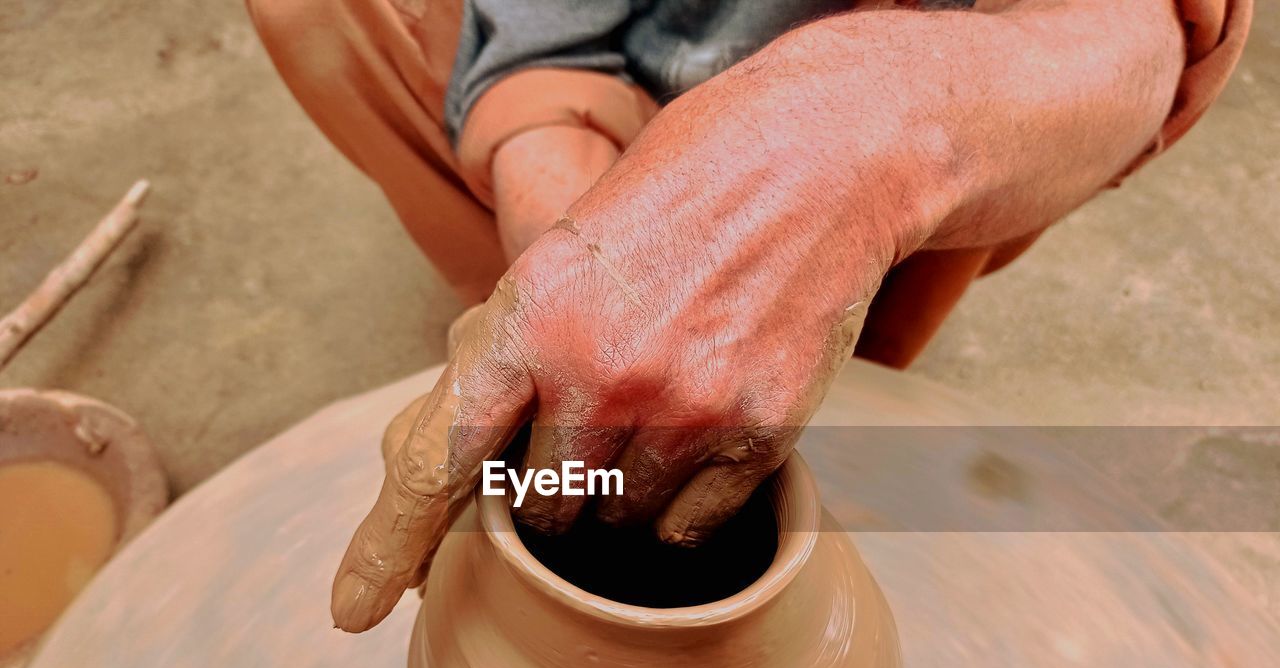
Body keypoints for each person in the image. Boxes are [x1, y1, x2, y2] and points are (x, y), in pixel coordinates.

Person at [247, 0, 1250, 632]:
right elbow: (543, 40)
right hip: (637, 55)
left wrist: (866, 134)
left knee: (817, 385)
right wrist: (586, 245)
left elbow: (1153, 27)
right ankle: (569, 351)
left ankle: (837, 352)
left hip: (939, 76)